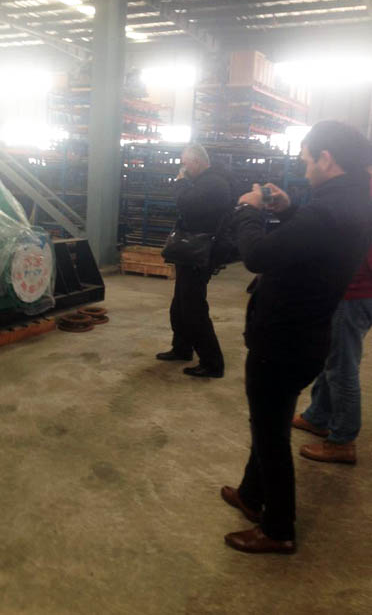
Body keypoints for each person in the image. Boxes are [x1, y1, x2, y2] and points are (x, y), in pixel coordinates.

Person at [221, 121, 372, 554]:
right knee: (268, 421)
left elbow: (258, 255)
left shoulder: (327, 210)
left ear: (327, 158)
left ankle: (278, 529)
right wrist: (288, 210)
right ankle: (251, 495)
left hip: (283, 339)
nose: (305, 169)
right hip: (307, 334)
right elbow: (309, 242)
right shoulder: (353, 201)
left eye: (307, 161)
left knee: (270, 435)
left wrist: (248, 209)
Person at [293, 168, 372, 464]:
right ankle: (318, 416)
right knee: (333, 357)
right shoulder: (360, 188)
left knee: (341, 367)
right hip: (352, 290)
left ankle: (342, 440)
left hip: (353, 293)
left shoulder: (363, 192)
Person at [156, 144, 232, 378]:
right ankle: (182, 348)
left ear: (197, 162)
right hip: (191, 251)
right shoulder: (206, 181)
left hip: (200, 254)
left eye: (186, 163)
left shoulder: (213, 183)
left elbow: (185, 204)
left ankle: (212, 363)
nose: (184, 168)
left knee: (193, 307)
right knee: (180, 304)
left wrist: (180, 183)